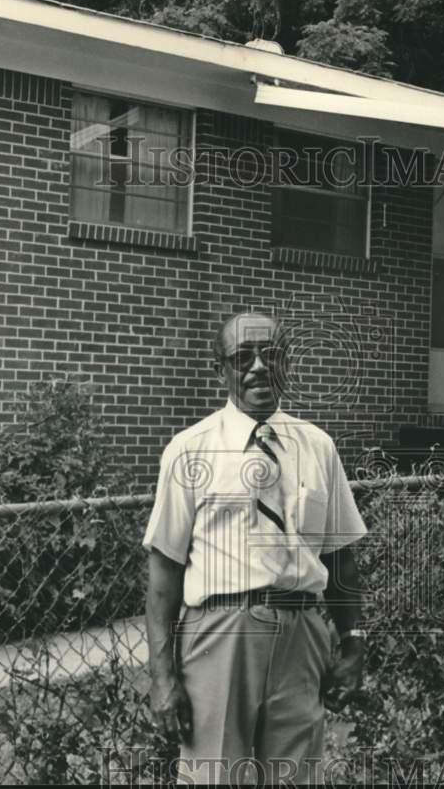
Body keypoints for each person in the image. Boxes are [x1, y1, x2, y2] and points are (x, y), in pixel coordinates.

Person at [143, 311, 367, 785]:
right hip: (220, 634)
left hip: (300, 633)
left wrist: (353, 642)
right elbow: (164, 574)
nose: (258, 367)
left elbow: (339, 556)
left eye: (271, 355)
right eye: (242, 357)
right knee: (213, 777)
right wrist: (162, 676)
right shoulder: (189, 451)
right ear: (220, 370)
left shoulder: (318, 447)